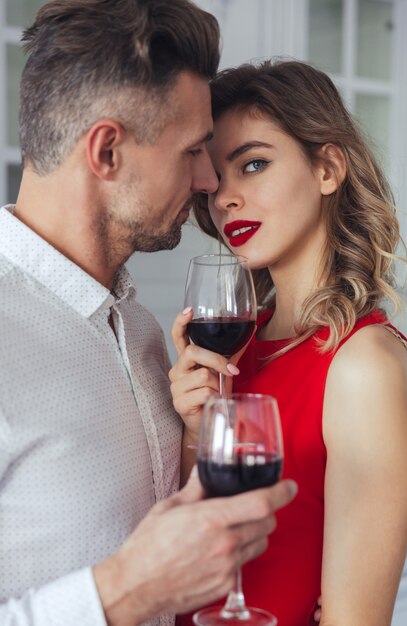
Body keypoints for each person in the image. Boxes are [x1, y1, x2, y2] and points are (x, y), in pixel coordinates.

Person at [0, 4, 298, 625]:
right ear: (106, 150)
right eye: (193, 150)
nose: (209, 180)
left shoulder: (136, 327)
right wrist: (125, 591)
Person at [170, 59, 407, 626]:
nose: (225, 197)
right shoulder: (232, 348)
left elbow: (355, 618)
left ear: (328, 168)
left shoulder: (363, 365)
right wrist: (193, 428)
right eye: (216, 177)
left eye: (253, 164)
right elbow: (195, 548)